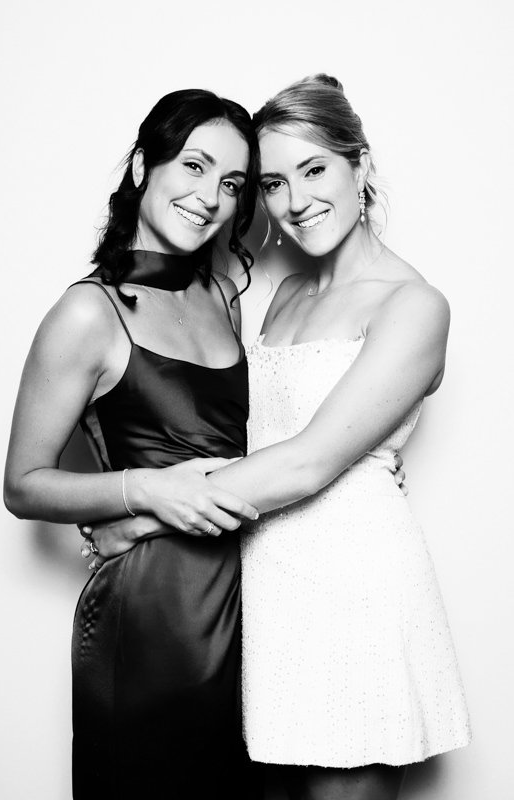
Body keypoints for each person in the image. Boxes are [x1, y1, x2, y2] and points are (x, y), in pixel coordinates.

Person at [93, 75, 471, 799]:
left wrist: (135, 518)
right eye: (272, 183)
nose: (296, 201)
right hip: (264, 588)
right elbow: (258, 439)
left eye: (315, 169)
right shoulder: (285, 294)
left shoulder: (415, 304)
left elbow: (303, 462)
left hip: (354, 587)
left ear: (359, 166)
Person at [3, 89, 264, 800]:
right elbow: (22, 484)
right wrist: (144, 493)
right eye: (194, 165)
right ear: (145, 165)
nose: (210, 197)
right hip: (150, 620)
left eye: (233, 184)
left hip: (244, 605)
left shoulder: (223, 296)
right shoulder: (90, 310)